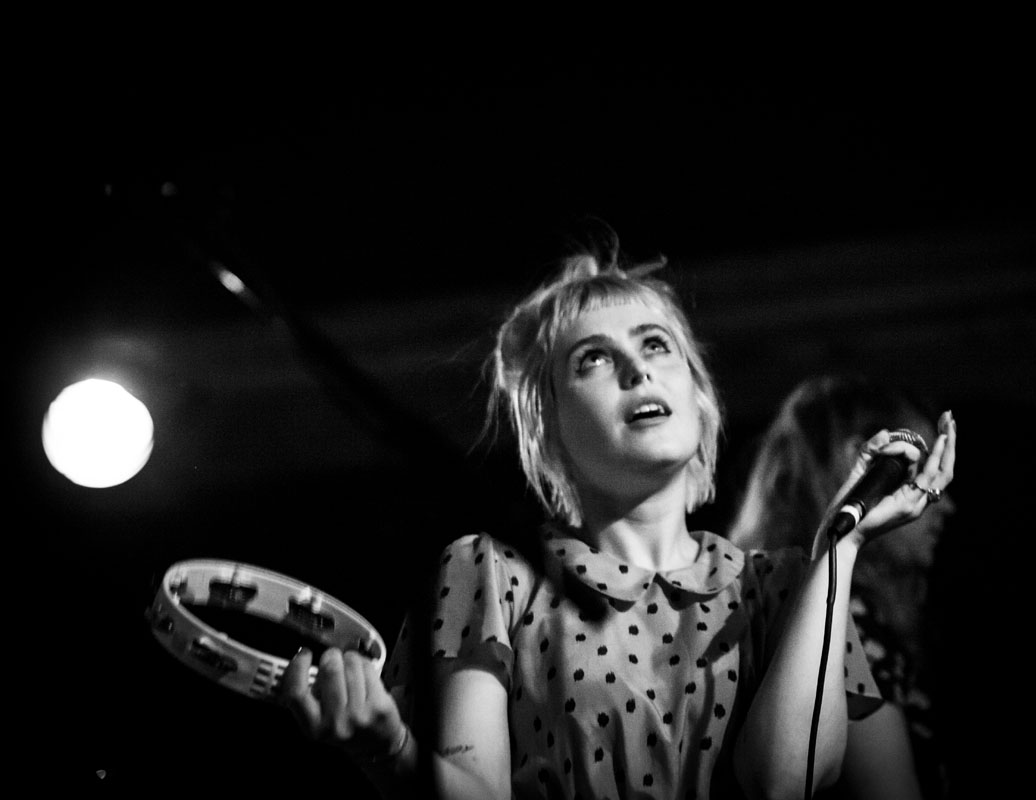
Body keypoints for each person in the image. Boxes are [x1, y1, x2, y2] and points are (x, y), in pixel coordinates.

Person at [277, 224, 958, 799]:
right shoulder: (491, 576)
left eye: (656, 345)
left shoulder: (794, 587)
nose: (637, 370)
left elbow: (784, 780)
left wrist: (839, 547)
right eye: (594, 359)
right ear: (548, 427)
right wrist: (390, 748)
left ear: (698, 393)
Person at [726, 373, 957, 800]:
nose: (946, 505)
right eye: (923, 472)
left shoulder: (778, 599)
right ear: (869, 468)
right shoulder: (843, 619)